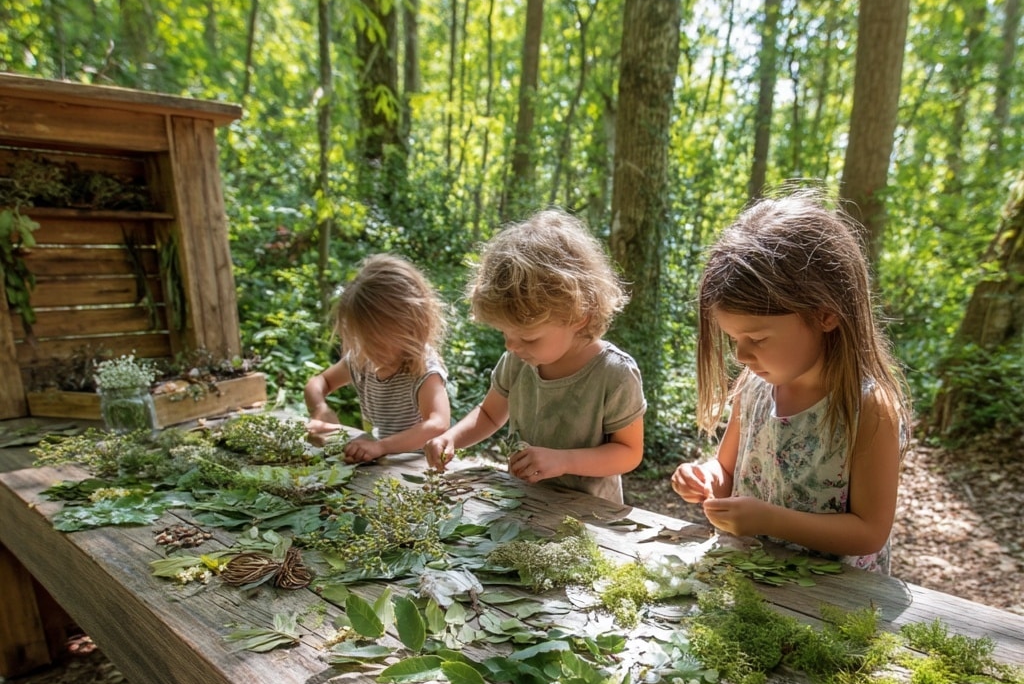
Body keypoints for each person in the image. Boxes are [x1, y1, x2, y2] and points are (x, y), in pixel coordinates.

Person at [670, 189, 912, 573]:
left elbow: (869, 532)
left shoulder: (867, 409)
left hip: (833, 599)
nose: (741, 356)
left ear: (825, 316)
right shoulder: (753, 388)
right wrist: (705, 477)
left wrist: (767, 519)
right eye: (734, 339)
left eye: (758, 339)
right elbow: (727, 469)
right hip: (753, 578)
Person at [424, 209, 646, 503]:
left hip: (591, 518)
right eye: (505, 334)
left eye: (527, 337)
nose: (511, 346)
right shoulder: (518, 360)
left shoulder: (615, 374)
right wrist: (451, 438)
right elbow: (490, 414)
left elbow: (628, 453)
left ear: (579, 315)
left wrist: (564, 461)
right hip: (524, 503)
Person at [304, 253, 450, 462]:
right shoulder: (361, 360)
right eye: (364, 340)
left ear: (410, 326)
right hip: (379, 464)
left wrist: (381, 446)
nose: (371, 351)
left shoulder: (424, 370)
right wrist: (320, 409)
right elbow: (319, 382)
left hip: (419, 468)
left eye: (380, 342)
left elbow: (438, 423)